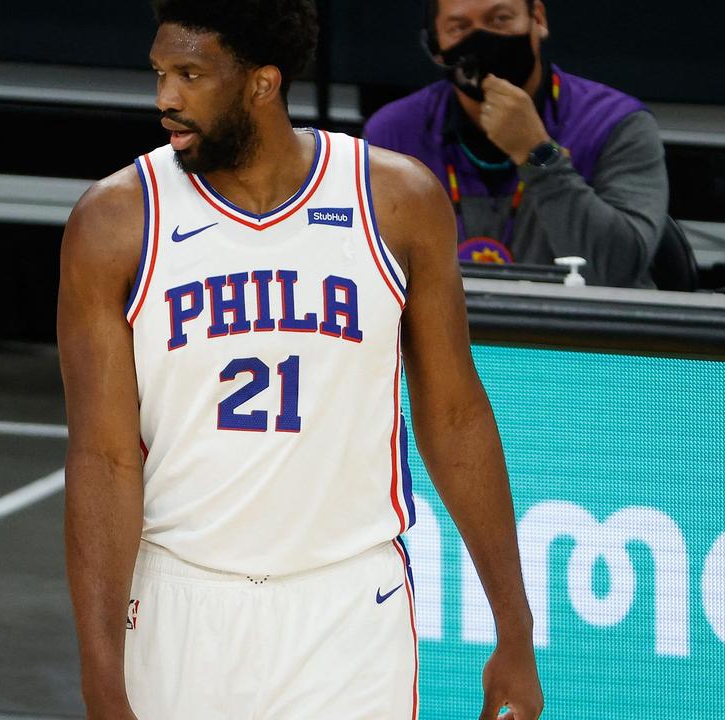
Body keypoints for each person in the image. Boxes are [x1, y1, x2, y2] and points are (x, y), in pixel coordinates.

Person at [58, 1, 543, 718]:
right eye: (161, 73)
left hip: (351, 605)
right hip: (180, 598)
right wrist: (101, 679)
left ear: (262, 83)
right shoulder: (115, 221)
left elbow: (453, 416)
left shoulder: (396, 199)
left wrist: (516, 629)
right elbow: (102, 461)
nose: (166, 98)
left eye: (191, 74)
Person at [364, 0, 668, 288]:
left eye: (500, 20)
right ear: (436, 48)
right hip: (445, 338)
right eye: (459, 28)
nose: (482, 40)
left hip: (577, 337)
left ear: (537, 19)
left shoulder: (616, 124)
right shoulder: (393, 136)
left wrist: (538, 154)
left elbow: (617, 272)